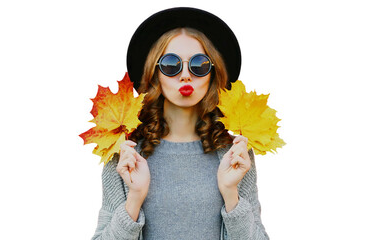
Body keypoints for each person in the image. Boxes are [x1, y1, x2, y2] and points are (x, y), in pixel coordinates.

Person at [92, 7, 269, 240]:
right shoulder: (125, 154)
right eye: (171, 64)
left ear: (213, 73)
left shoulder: (235, 154)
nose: (185, 75)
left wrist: (230, 195)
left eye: (199, 65)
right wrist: (134, 199)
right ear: (155, 73)